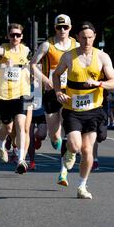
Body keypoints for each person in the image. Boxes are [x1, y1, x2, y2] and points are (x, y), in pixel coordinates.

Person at [52, 21, 114, 199]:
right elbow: (56, 75)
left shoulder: (102, 57)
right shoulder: (68, 56)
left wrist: (99, 83)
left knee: (88, 150)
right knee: (75, 145)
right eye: (83, 38)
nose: (87, 41)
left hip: (94, 110)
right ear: (78, 38)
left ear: (94, 37)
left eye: (90, 37)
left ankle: (82, 186)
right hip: (72, 109)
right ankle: (69, 151)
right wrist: (58, 92)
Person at [0, 23, 32, 174]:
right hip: (4, 95)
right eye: (12, 35)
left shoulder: (26, 50)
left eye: (18, 35)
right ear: (8, 36)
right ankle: (1, 141)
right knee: (8, 127)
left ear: (22, 36)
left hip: (22, 92)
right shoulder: (1, 49)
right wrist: (2, 66)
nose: (15, 38)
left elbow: (32, 66)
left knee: (21, 124)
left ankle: (21, 159)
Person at [31, 14, 79, 151]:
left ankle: (67, 154)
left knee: (68, 126)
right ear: (55, 28)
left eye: (65, 27)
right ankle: (52, 139)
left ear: (70, 28)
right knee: (54, 135)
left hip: (69, 91)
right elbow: (32, 65)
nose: (62, 30)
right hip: (51, 92)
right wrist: (45, 80)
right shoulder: (47, 45)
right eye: (59, 27)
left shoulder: (77, 45)